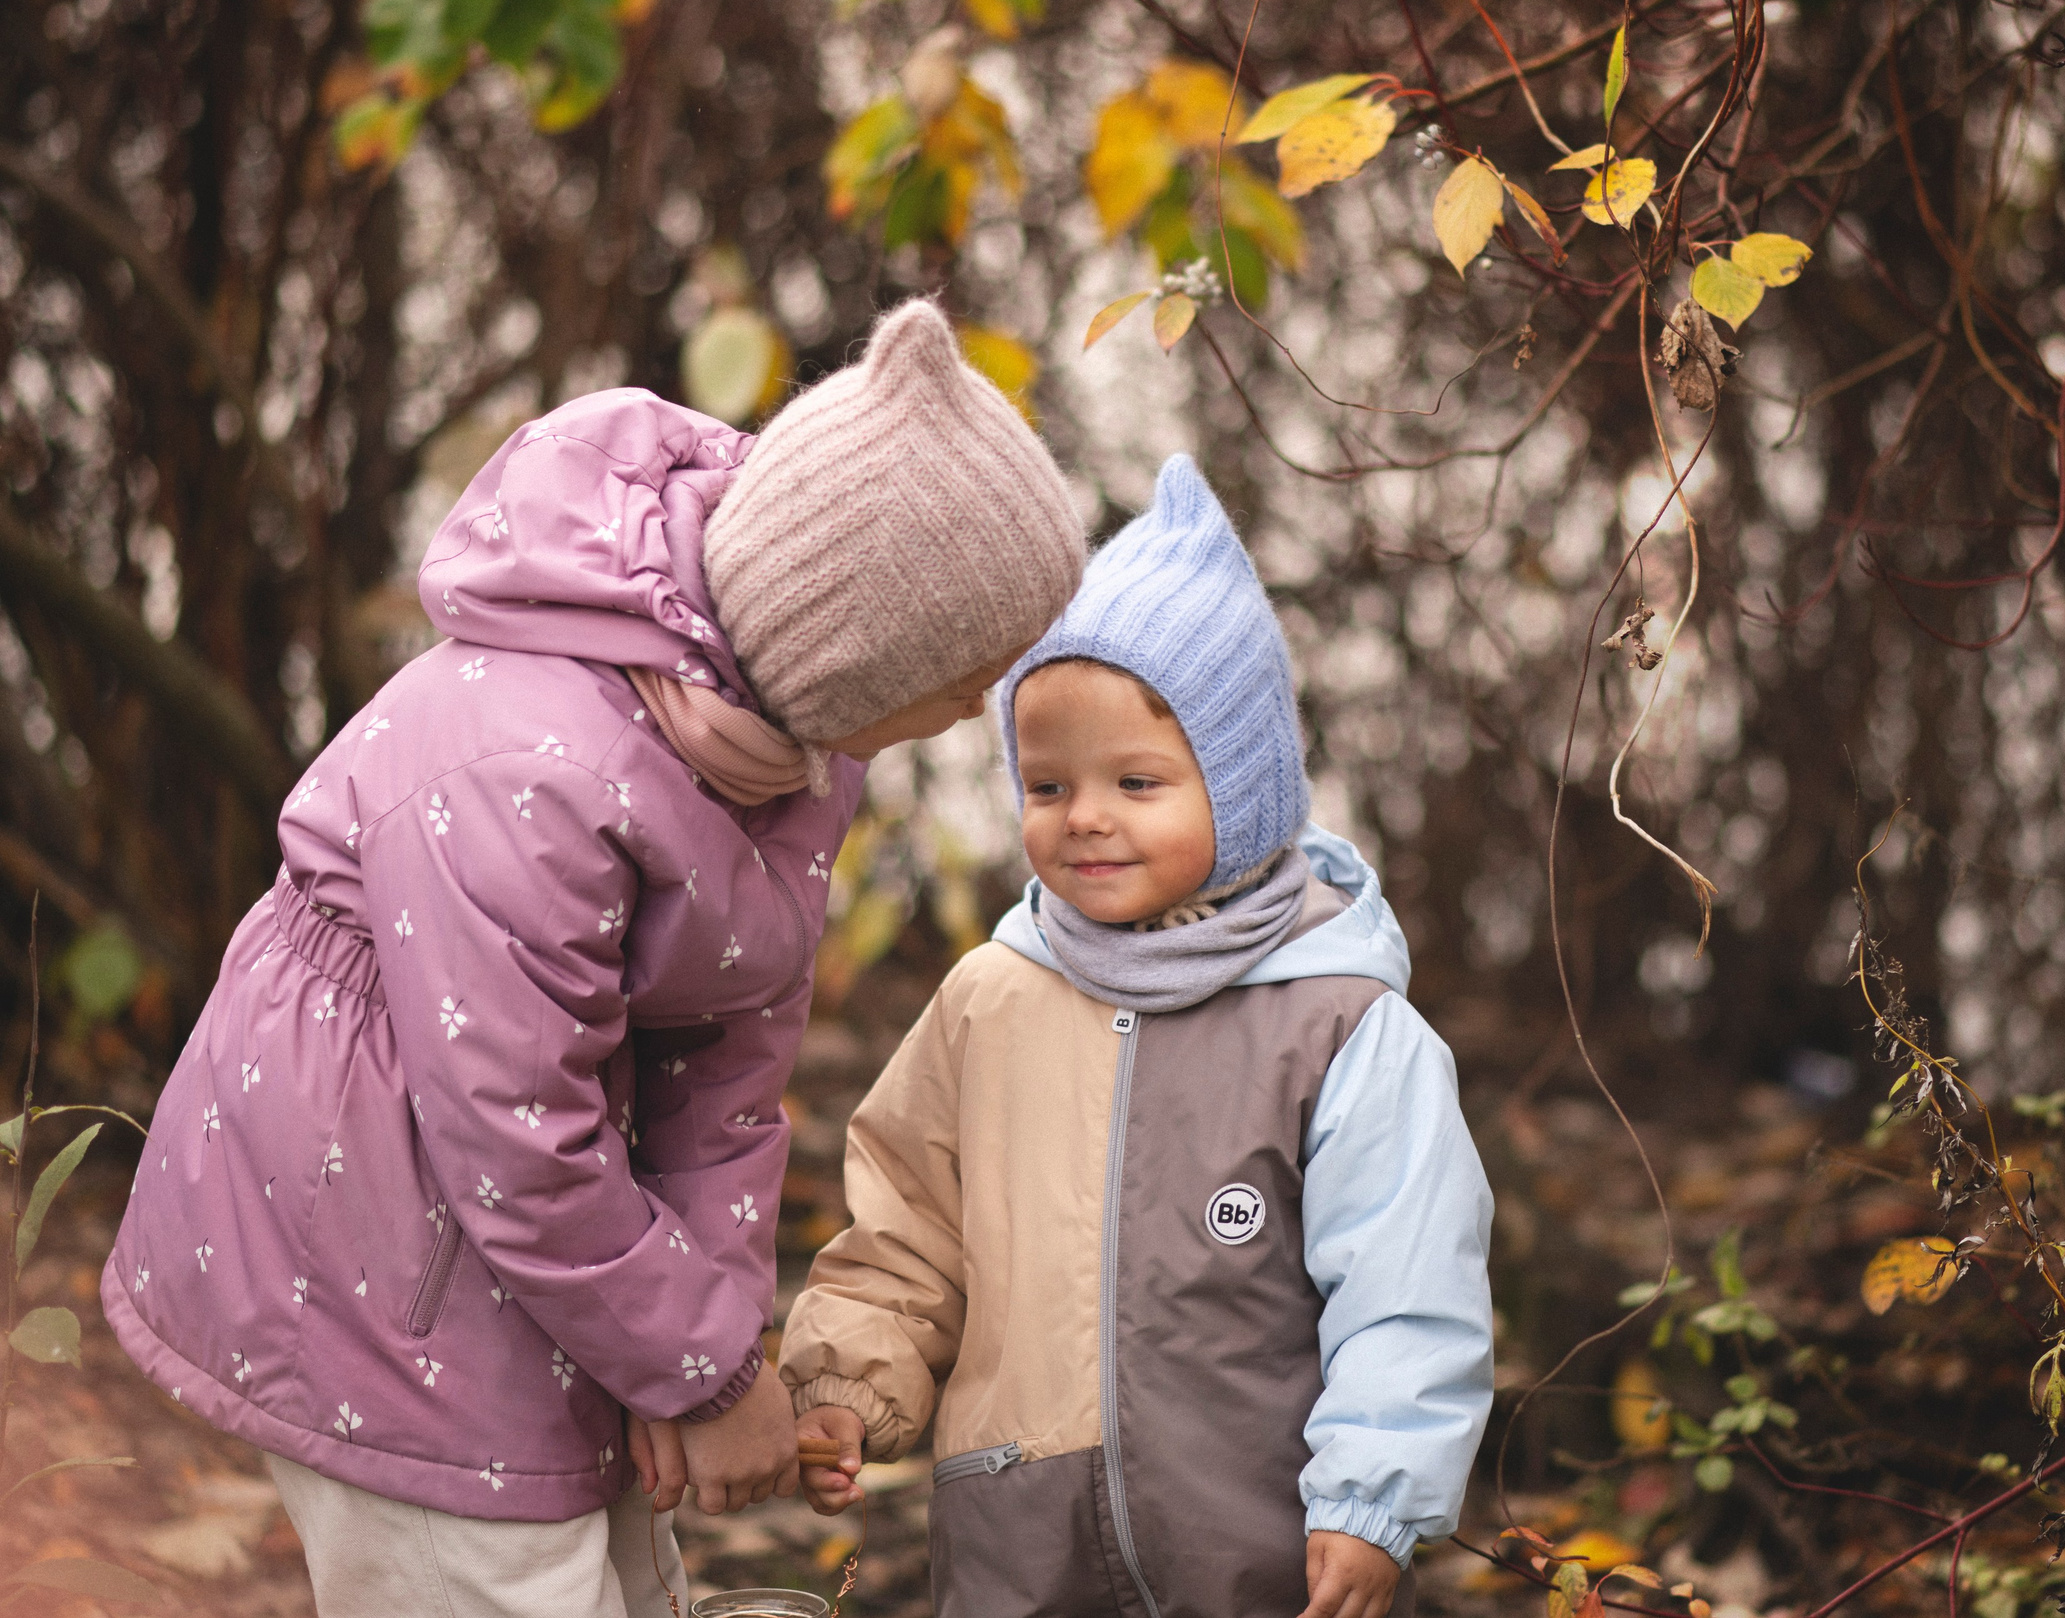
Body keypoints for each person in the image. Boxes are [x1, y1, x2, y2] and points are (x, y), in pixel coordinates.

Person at [102, 300, 1089, 1618]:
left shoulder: (789, 745)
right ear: (858, 649)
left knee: (628, 1563)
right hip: (374, 1226)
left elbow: (731, 1058)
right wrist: (707, 1376)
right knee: (494, 1572)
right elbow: (518, 1135)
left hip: (546, 1201)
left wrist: (705, 1353)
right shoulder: (528, 771)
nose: (983, 703)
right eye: (969, 669)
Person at [780, 455, 1496, 1618]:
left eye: (1138, 779)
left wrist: (1373, 1495)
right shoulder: (991, 998)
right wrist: (847, 1383)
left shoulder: (1340, 1023)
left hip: (1258, 1544)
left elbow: (1406, 1283)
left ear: (1246, 784)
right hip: (1021, 1540)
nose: (1087, 817)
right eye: (1047, 783)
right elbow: (905, 1226)